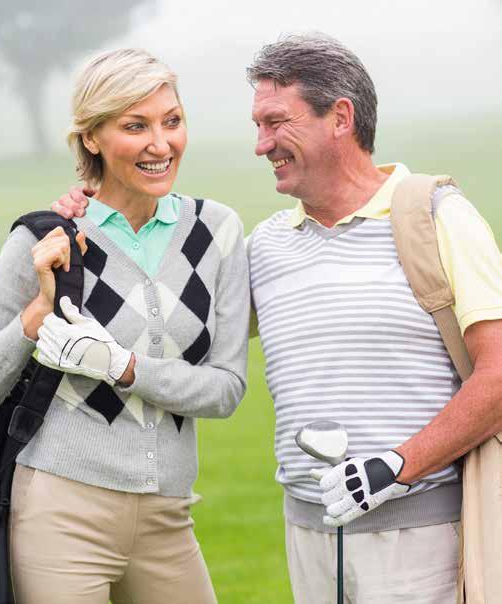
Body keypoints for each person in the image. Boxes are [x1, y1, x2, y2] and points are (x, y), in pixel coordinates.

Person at [54, 34, 502, 603]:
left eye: (276, 123)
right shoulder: (266, 246)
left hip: (420, 535)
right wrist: (93, 210)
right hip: (308, 533)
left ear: (340, 118)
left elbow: (497, 374)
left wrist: (397, 465)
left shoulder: (436, 216)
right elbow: (171, 328)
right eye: (257, 126)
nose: (261, 145)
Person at [0, 48, 249, 604]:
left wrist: (122, 366)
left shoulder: (217, 232)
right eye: (135, 126)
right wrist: (35, 318)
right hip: (59, 514)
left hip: (169, 517)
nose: (161, 144)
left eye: (172, 121)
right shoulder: (44, 237)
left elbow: (225, 389)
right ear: (91, 138)